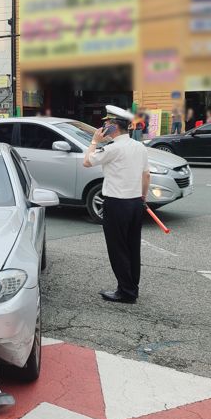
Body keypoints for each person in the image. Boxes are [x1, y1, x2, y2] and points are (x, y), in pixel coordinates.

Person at [83, 105, 149, 304]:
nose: (103, 126)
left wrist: (94, 141)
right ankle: (131, 287)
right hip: (136, 202)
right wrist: (143, 198)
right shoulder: (140, 146)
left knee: (118, 248)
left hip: (116, 204)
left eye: (106, 123)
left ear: (113, 127)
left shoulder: (113, 148)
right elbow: (146, 175)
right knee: (132, 247)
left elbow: (87, 162)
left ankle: (126, 292)